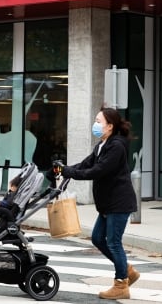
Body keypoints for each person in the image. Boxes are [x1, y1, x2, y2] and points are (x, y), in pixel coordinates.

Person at [52, 107, 139, 300]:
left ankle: (121, 284)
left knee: (114, 243)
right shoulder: (103, 144)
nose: (95, 124)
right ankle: (127, 270)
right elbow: (86, 164)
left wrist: (70, 173)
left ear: (110, 126)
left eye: (99, 121)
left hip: (119, 202)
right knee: (98, 238)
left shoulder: (116, 146)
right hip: (108, 203)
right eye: (96, 120)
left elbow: (97, 170)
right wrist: (65, 169)